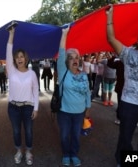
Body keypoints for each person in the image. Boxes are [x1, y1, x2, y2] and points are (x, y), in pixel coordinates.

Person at [106, 4, 138, 166]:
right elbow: (111, 39)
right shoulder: (128, 53)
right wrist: (109, 16)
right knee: (126, 137)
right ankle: (125, 160)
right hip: (129, 103)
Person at [57, 26, 91, 167]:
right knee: (65, 136)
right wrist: (65, 34)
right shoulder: (63, 72)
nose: (74, 60)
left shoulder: (84, 75)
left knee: (76, 136)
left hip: (79, 113)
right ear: (66, 61)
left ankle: (74, 154)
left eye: (77, 57)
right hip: (64, 112)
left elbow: (88, 92)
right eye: (71, 58)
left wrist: (88, 108)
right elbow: (61, 52)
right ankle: (66, 154)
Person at [6, 26, 39, 166]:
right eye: (17, 57)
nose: (19, 59)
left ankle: (29, 152)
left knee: (29, 132)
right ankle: (19, 151)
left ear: (26, 59)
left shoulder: (32, 73)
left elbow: (36, 91)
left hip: (28, 107)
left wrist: (36, 108)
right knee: (16, 131)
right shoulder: (11, 70)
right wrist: (11, 34)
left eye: (22, 56)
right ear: (14, 59)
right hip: (13, 107)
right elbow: (8, 50)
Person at [107, 55, 124, 125]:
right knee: (121, 104)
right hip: (121, 87)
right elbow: (110, 64)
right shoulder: (120, 62)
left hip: (132, 89)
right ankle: (119, 118)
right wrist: (114, 56)